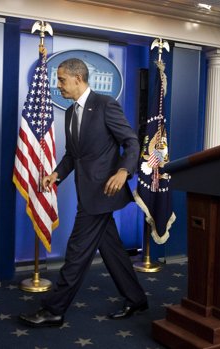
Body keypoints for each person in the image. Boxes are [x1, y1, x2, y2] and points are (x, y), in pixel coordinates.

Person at [18, 58, 148, 328]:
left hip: (102, 193)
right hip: (86, 191)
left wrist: (124, 171)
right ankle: (136, 299)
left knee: (77, 252)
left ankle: (54, 310)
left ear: (78, 78)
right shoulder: (69, 112)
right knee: (111, 249)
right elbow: (73, 155)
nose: (59, 85)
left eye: (62, 80)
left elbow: (131, 142)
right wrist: (56, 174)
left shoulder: (105, 105)